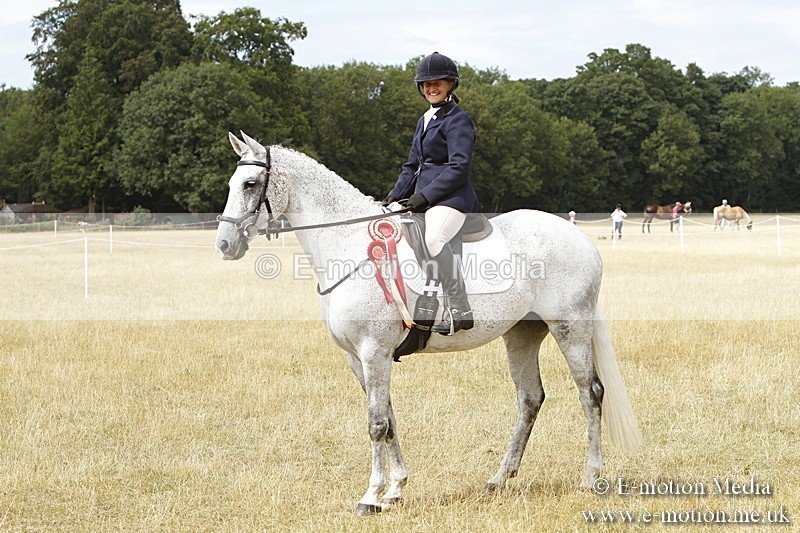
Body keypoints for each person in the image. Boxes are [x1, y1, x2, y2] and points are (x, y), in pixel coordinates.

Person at [382, 52, 479, 335]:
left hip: (452, 198)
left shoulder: (458, 120)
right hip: (423, 197)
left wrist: (424, 196)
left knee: (434, 237)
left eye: (437, 83)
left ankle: (459, 304)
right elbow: (412, 166)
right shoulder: (425, 119)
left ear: (450, 85)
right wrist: (391, 199)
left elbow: (459, 167)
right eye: (425, 84)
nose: (431, 88)